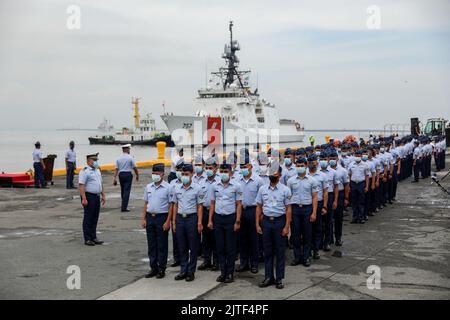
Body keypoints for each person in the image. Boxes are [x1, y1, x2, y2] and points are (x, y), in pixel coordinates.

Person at [256, 161, 292, 289]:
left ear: (280, 175)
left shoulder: (285, 190)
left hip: (279, 222)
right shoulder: (262, 189)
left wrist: (287, 226)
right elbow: (259, 207)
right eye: (271, 172)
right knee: (267, 251)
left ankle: (279, 278)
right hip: (266, 222)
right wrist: (257, 224)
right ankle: (268, 277)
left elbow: (288, 209)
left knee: (280, 251)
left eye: (275, 173)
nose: (272, 175)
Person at [208, 162, 243, 283]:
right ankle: (223, 272)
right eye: (221, 172)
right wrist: (210, 220)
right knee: (220, 247)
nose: (223, 174)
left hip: (231, 218)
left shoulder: (236, 186)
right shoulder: (215, 186)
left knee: (230, 248)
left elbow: (239, 205)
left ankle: (230, 273)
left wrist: (237, 221)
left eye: (225, 172)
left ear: (231, 172)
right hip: (218, 219)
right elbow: (212, 204)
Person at [171, 164, 204, 282]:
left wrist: (199, 222)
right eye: (183, 174)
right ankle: (183, 270)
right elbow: (175, 205)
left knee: (193, 245)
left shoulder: (197, 188)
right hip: (180, 218)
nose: (184, 176)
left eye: (186, 174)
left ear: (192, 174)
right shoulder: (177, 188)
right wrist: (174, 221)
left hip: (192, 218)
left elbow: (200, 206)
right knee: (182, 245)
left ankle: (191, 271)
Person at [142, 163, 171, 279]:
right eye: (153, 173)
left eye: (157, 174)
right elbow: (145, 203)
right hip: (150, 217)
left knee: (162, 244)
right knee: (151, 244)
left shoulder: (168, 188)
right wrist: (143, 218)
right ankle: (153, 267)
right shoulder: (148, 187)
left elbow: (171, 206)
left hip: (162, 217)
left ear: (162, 174)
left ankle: (161, 268)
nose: (155, 176)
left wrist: (168, 221)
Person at [287, 157, 318, 267]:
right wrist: (288, 214)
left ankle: (306, 257)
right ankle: (297, 257)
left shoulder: (312, 181)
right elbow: (288, 198)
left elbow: (314, 197)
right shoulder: (290, 181)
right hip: (295, 209)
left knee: (307, 234)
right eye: (298, 166)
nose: (299, 168)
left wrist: (314, 212)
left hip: (307, 209)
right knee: (295, 234)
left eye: (301, 166)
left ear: (306, 165)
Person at [236, 154, 264, 274]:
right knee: (242, 239)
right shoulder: (238, 180)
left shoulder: (258, 180)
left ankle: (254, 263)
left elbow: (262, 199)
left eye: (245, 166)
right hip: (241, 210)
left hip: (253, 211)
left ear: (251, 166)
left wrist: (261, 214)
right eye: (241, 166)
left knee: (254, 239)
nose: (243, 168)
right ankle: (244, 262)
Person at [197, 156, 220, 271]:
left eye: (210, 168)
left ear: (216, 168)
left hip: (216, 212)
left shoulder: (220, 181)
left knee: (215, 238)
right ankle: (207, 260)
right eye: (206, 168)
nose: (208, 170)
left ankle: (216, 261)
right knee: (205, 237)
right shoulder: (201, 181)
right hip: (204, 211)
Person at [78, 153, 105, 246]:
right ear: (89, 161)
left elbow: (100, 183)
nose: (96, 162)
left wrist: (103, 194)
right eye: (94, 160)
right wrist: (84, 198)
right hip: (89, 196)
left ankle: (93, 237)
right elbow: (81, 185)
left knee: (95, 217)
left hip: (97, 196)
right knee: (88, 217)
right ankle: (87, 238)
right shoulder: (84, 171)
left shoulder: (97, 170)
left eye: (97, 160)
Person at [306, 154, 328, 260]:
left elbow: (325, 192)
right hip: (307, 204)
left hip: (318, 204)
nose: (311, 163)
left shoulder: (322, 176)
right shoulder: (303, 174)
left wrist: (324, 206)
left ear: (317, 162)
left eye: (313, 161)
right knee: (307, 228)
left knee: (317, 228)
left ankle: (316, 249)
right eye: (309, 161)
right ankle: (308, 249)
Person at [328, 151, 349, 246]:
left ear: (337, 158)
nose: (332, 160)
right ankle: (329, 238)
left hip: (340, 194)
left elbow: (346, 185)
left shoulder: (343, 170)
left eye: (334, 158)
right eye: (330, 158)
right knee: (328, 218)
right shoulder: (325, 170)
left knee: (338, 217)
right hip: (329, 194)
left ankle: (338, 237)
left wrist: (346, 197)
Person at [319, 152, 339, 251]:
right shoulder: (316, 171)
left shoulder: (333, 172)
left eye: (324, 159)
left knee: (328, 221)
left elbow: (336, 187)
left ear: (328, 159)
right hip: (318, 197)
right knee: (318, 222)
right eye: (321, 159)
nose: (323, 161)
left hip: (330, 196)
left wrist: (335, 200)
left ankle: (327, 242)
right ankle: (318, 242)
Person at [113, 144, 139, 212]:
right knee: (127, 191)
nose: (129, 150)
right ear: (127, 149)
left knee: (123, 190)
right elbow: (135, 167)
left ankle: (123, 204)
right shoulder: (130, 158)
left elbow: (116, 169)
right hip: (128, 174)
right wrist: (137, 175)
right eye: (129, 149)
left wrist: (114, 178)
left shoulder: (118, 158)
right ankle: (124, 207)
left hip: (121, 175)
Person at [168, 159, 184, 268]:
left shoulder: (191, 182)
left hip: (186, 213)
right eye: (177, 170)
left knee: (185, 239)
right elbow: (170, 201)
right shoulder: (172, 183)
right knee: (175, 237)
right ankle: (176, 258)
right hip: (175, 213)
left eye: (181, 170)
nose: (179, 172)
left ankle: (185, 259)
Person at [348, 150, 370, 224]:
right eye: (356, 155)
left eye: (358, 155)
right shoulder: (351, 164)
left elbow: (367, 176)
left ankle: (361, 217)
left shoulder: (365, 165)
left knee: (361, 201)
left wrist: (366, 186)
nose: (357, 157)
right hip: (353, 184)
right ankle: (355, 217)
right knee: (354, 201)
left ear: (361, 155)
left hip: (361, 184)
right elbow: (349, 175)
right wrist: (349, 186)